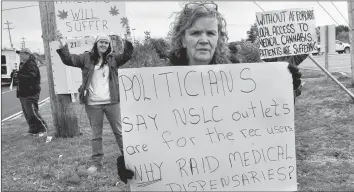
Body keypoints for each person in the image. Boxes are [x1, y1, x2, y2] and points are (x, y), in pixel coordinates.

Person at [116, 1, 304, 184]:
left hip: (232, 177)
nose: (204, 39)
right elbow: (150, 132)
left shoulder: (241, 78)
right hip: (182, 180)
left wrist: (287, 89)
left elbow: (266, 123)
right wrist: (133, 160)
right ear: (182, 38)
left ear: (218, 38)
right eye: (196, 32)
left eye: (211, 33)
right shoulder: (159, 85)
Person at [55, 31, 134, 174]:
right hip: (92, 104)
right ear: (96, 44)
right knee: (96, 134)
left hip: (112, 102)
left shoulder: (113, 58)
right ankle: (97, 163)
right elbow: (68, 60)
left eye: (106, 42)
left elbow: (127, 55)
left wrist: (128, 41)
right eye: (101, 42)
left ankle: (129, 159)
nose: (103, 44)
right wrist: (63, 45)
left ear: (109, 45)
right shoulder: (86, 58)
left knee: (119, 132)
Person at [14, 48, 48, 136]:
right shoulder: (23, 63)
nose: (20, 56)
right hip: (23, 92)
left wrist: (19, 75)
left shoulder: (31, 63)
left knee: (32, 112)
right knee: (27, 113)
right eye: (19, 54)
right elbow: (22, 76)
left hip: (31, 92)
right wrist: (16, 75)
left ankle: (43, 129)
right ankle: (33, 129)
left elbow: (32, 77)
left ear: (27, 54)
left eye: (21, 54)